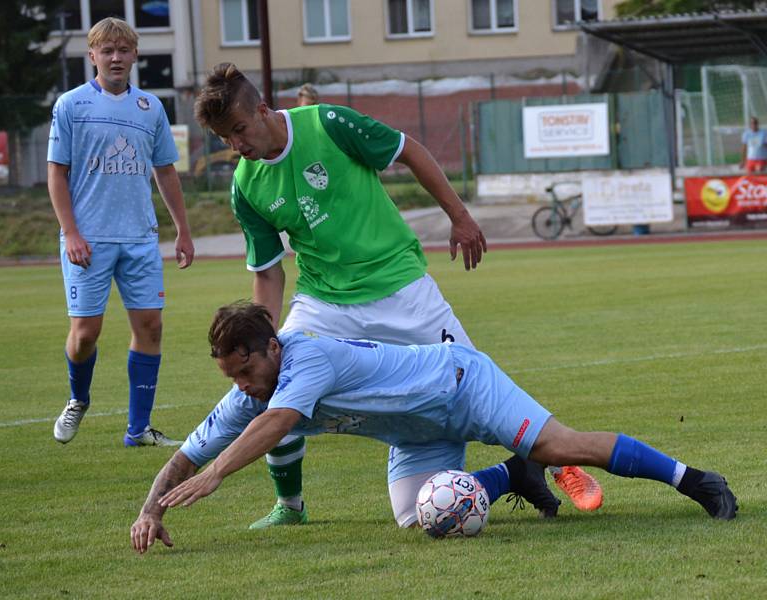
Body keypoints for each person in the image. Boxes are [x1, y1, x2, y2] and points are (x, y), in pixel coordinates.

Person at [192, 63, 603, 529]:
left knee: (476, 385)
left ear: (262, 110)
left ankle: (557, 463)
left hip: (401, 286)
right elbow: (268, 274)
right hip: (325, 301)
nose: (236, 146)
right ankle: (291, 505)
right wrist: (260, 340)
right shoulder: (246, 185)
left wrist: (460, 217)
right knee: (275, 383)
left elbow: (410, 151)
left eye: (239, 130)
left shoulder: (328, 123)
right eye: (225, 138)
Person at [129, 303, 737, 553]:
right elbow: (186, 452)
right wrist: (153, 506)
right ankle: (513, 474)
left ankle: (698, 481)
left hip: (460, 385)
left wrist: (216, 477)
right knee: (423, 518)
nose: (244, 387)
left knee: (561, 444)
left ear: (270, 346)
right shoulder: (250, 390)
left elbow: (281, 421)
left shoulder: (305, 355)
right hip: (418, 433)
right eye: (233, 378)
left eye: (247, 370)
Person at [47, 17, 194, 447]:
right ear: (92, 55)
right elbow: (57, 174)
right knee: (85, 335)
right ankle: (78, 399)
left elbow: (165, 172)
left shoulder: (150, 108)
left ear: (134, 55)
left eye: (123, 50)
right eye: (106, 50)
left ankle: (138, 429)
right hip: (88, 240)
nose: (115, 57)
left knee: (150, 326)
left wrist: (182, 231)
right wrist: (70, 232)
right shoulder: (71, 105)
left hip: (140, 238)